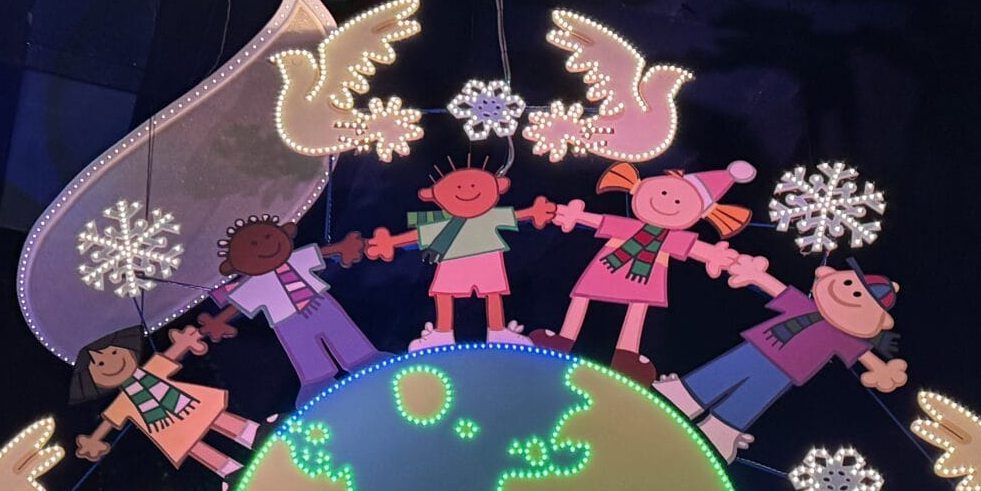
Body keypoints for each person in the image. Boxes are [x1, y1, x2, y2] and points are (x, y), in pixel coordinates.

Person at [520, 160, 766, 381]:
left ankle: (626, 356)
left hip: (645, 276)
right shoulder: (628, 227)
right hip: (608, 267)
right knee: (582, 298)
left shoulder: (671, 238)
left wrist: (717, 255)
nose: (666, 202)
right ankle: (563, 339)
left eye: (678, 201)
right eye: (664, 192)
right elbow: (598, 221)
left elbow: (696, 249)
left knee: (636, 310)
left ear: (699, 214)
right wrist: (569, 214)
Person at [655, 263, 910, 460]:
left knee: (753, 396)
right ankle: (686, 395)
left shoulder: (843, 338)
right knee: (726, 370)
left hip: (785, 371)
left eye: (861, 298)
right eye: (850, 285)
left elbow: (866, 357)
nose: (852, 295)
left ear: (878, 322)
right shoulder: (804, 306)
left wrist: (882, 370)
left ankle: (721, 429)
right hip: (760, 347)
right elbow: (777, 289)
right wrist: (754, 274)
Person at [70, 321, 262, 482]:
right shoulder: (122, 402)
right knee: (194, 447)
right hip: (166, 427)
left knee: (215, 417)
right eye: (101, 364)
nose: (112, 363)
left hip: (188, 404)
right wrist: (93, 441)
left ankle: (254, 434)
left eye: (114, 353)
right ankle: (230, 471)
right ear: (95, 380)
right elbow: (108, 423)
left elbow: (172, 353)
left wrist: (185, 341)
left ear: (128, 351)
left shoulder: (152, 369)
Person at [208, 217, 382, 393]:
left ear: (285, 232)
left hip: (319, 304)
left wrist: (343, 247)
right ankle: (317, 381)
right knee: (305, 350)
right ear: (234, 263)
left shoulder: (297, 258)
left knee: (340, 331)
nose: (264, 247)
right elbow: (236, 306)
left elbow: (322, 252)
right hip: (288, 321)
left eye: (268, 237)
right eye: (253, 245)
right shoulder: (254, 285)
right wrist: (218, 322)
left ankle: (363, 357)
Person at [370, 159, 532, 347]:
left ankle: (497, 331)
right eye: (458, 187)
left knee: (493, 293)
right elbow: (419, 234)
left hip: (487, 260)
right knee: (445, 295)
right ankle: (443, 334)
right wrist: (390, 242)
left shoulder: (489, 217)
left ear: (499, 186)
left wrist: (535, 211)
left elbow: (516, 216)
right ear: (434, 194)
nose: (467, 190)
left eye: (473, 185)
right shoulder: (445, 226)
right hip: (453, 263)